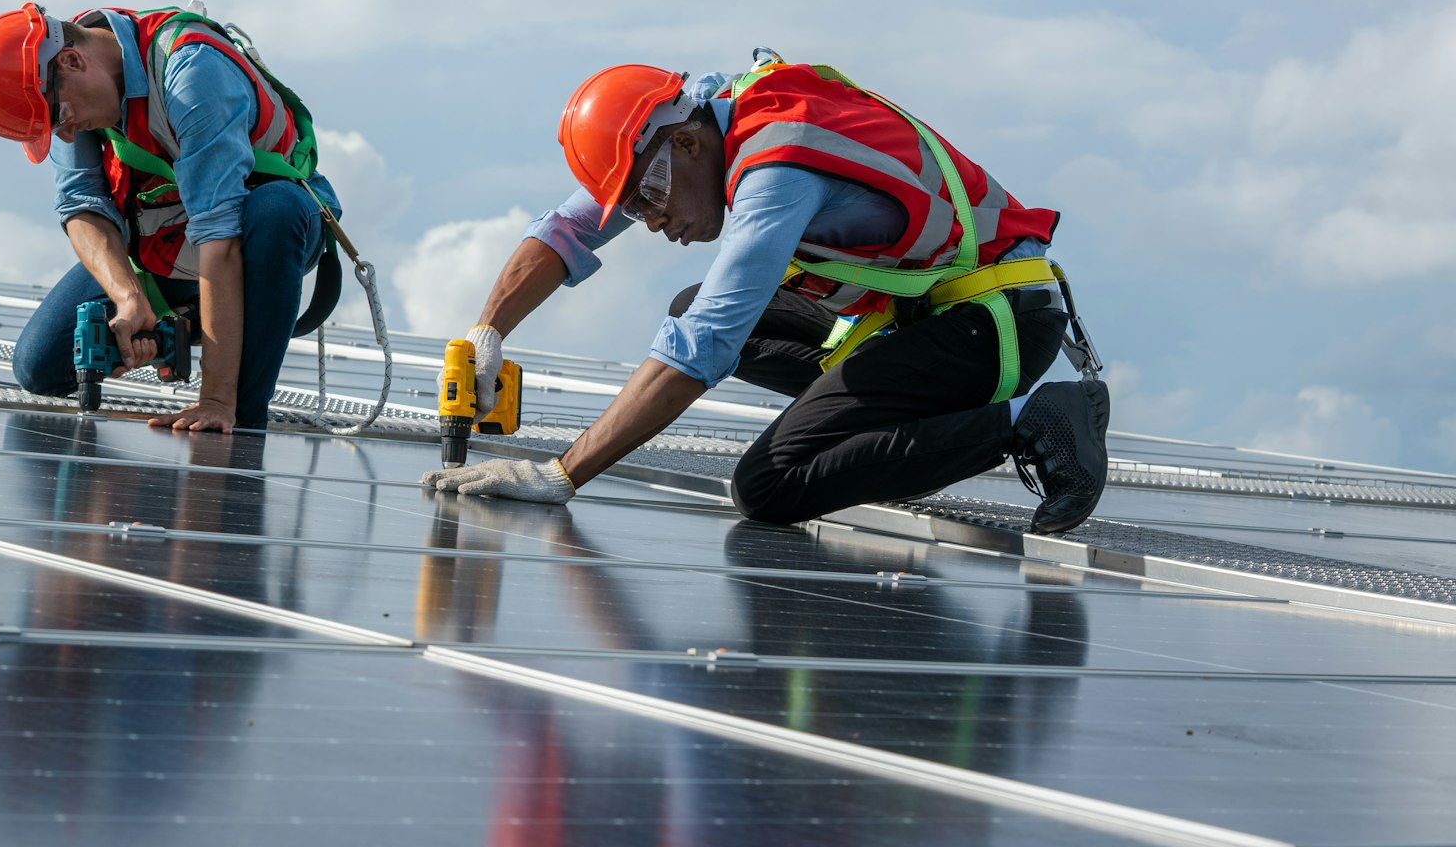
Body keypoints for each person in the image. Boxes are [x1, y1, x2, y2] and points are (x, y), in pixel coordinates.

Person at [423, 53, 1109, 534]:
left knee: (770, 485)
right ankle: (888, 432)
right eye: (635, 209)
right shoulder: (713, 108)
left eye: (653, 197)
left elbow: (705, 346)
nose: (654, 222)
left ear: (689, 146)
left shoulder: (776, 168)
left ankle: (1033, 419)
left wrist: (562, 474)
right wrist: (489, 333)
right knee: (688, 302)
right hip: (924, 317)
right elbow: (571, 225)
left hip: (995, 324)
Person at [0, 2, 341, 433]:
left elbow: (220, 235)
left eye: (60, 118)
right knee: (39, 367)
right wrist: (128, 296)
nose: (65, 135)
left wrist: (214, 400)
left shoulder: (191, 73)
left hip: (255, 234)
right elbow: (80, 205)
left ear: (73, 60)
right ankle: (186, 323)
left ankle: (243, 422)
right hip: (166, 246)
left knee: (276, 212)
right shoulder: (58, 90)